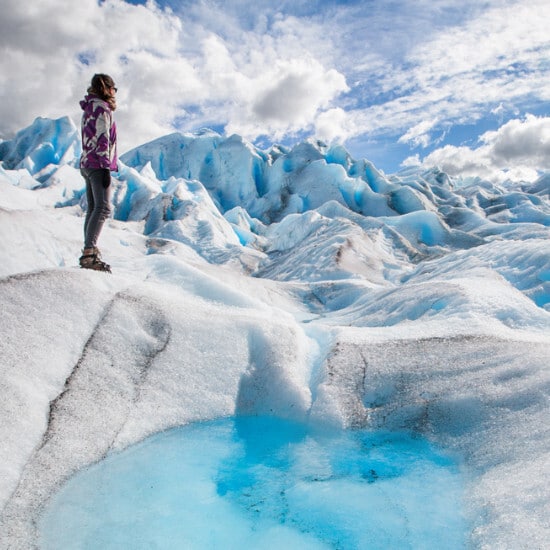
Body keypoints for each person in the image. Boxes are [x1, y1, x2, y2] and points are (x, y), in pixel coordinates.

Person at [78, 73, 118, 272]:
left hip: (86, 162)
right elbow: (103, 137)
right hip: (97, 163)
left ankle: (89, 250)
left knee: (94, 207)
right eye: (114, 89)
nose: (115, 93)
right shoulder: (102, 108)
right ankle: (89, 253)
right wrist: (104, 166)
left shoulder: (88, 108)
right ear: (107, 88)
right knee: (102, 207)